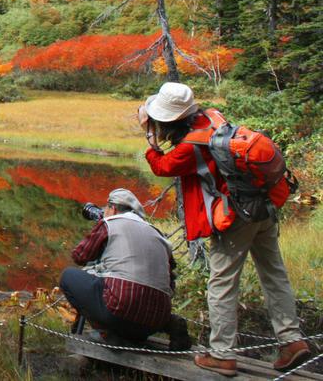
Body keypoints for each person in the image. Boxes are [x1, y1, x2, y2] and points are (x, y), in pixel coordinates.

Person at [141, 82, 310, 376]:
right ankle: (292, 342)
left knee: (221, 283)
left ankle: (221, 354)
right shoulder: (213, 118)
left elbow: (162, 166)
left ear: (168, 119)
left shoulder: (190, 147)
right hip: (262, 205)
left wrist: (149, 135)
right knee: (274, 274)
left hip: (235, 216)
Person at [60, 188, 190, 348]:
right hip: (155, 321)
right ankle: (168, 323)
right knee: (130, 292)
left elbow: (79, 256)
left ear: (112, 208)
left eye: (106, 208)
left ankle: (108, 332)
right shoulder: (157, 233)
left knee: (68, 276)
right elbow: (170, 281)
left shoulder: (110, 224)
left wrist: (101, 240)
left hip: (121, 313)